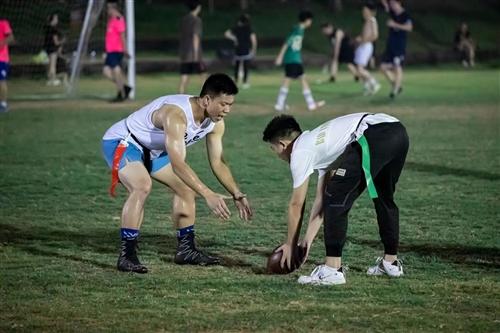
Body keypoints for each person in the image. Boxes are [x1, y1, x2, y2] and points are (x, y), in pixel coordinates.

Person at [102, 73, 253, 273]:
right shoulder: (176, 115)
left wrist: (236, 193)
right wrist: (207, 193)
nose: (227, 110)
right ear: (207, 100)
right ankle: (127, 255)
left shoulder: (215, 123)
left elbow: (218, 162)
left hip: (154, 151)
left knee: (186, 190)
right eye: (223, 104)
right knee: (141, 186)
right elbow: (178, 164)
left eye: (230, 105)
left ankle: (186, 251)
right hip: (124, 142)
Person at [262, 112, 409, 285]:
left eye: (274, 150)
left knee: (337, 198)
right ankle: (390, 263)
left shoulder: (300, 151)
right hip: (397, 131)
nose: (277, 155)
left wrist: (290, 245)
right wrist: (306, 242)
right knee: (383, 198)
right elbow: (322, 200)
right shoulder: (318, 143)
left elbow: (296, 204)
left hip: (374, 134)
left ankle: (332, 270)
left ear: (282, 144)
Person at [274, 10, 324, 112]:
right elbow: (287, 42)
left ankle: (310, 104)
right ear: (307, 20)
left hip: (295, 59)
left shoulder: (300, 29)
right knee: (288, 80)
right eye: (310, 20)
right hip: (292, 59)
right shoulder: (297, 30)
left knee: (302, 78)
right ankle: (279, 104)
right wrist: (280, 56)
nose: (311, 22)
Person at [380, 0, 413, 99]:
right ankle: (397, 85)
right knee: (382, 67)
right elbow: (384, 4)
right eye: (391, 4)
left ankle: (395, 90)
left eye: (393, 4)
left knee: (397, 67)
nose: (391, 6)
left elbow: (409, 27)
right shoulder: (393, 13)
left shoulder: (405, 15)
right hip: (390, 46)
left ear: (399, 3)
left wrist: (395, 25)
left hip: (399, 47)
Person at [103, 0, 131, 103]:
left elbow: (122, 36)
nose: (107, 11)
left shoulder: (119, 19)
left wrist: (125, 49)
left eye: (108, 8)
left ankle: (121, 94)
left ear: (113, 8)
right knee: (106, 72)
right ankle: (124, 88)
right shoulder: (111, 20)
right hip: (110, 51)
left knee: (116, 71)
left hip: (116, 50)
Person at [353, 2, 380, 95]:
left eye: (365, 10)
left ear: (370, 11)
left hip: (366, 46)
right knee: (358, 69)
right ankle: (367, 86)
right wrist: (360, 38)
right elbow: (365, 34)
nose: (363, 12)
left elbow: (375, 35)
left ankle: (374, 82)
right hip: (363, 45)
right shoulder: (367, 21)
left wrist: (364, 41)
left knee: (360, 69)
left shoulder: (372, 20)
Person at [224, 14, 257, 89]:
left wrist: (234, 38)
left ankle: (235, 82)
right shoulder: (249, 28)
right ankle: (245, 82)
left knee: (237, 66)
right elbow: (254, 40)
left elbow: (226, 33)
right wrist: (254, 50)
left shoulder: (236, 28)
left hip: (238, 50)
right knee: (246, 67)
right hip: (246, 50)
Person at [179, 0, 205, 94]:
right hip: (194, 54)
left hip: (184, 53)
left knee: (184, 77)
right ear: (198, 7)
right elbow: (195, 36)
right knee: (203, 76)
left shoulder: (184, 19)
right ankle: (205, 98)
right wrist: (196, 53)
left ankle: (180, 97)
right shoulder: (196, 20)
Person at [44, 13, 68, 87]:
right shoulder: (54, 29)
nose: (57, 20)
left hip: (47, 48)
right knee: (52, 66)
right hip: (52, 49)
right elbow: (56, 42)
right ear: (53, 20)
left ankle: (50, 80)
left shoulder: (47, 28)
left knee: (49, 65)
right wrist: (63, 41)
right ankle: (53, 81)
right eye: (56, 19)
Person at [0, 18, 13, 113]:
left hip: (2, 58)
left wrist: (1, 43)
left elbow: (10, 37)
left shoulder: (3, 23)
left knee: (1, 80)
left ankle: (3, 104)